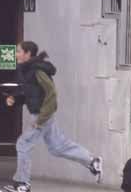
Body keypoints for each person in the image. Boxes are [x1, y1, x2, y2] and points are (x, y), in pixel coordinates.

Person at [5, 41, 101, 191]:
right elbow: (31, 95)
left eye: (18, 51)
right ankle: (92, 161)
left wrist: (41, 119)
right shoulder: (26, 70)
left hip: (43, 115)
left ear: (28, 53)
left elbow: (52, 93)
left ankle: (22, 183)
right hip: (41, 114)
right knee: (57, 147)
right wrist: (15, 99)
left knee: (23, 144)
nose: (16, 54)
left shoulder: (38, 71)